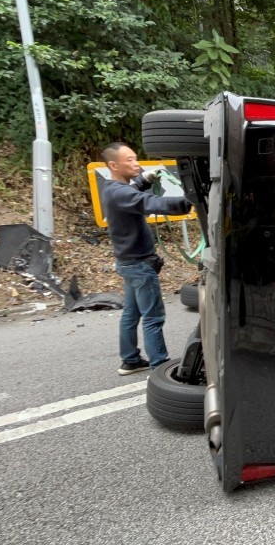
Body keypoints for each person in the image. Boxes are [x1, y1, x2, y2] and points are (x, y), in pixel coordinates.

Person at [100, 142, 192, 376]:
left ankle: (130, 360)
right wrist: (190, 200)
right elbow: (149, 202)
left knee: (131, 314)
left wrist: (145, 180)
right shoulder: (120, 192)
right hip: (139, 266)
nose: (136, 163)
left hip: (128, 263)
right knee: (153, 317)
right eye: (129, 160)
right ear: (113, 165)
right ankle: (160, 366)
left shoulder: (113, 189)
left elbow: (135, 194)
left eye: (135, 158)